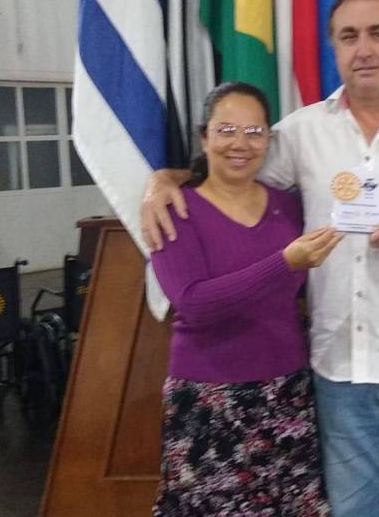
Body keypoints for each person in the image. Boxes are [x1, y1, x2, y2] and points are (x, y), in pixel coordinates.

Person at [144, 0, 379, 517]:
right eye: (348, 36)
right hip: (337, 366)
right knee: (351, 509)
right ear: (335, 49)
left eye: (378, 33)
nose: (363, 49)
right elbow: (232, 164)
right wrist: (163, 179)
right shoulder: (301, 132)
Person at [149, 81, 340, 517]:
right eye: (227, 130)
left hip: (287, 392)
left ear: (269, 141)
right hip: (209, 399)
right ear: (204, 137)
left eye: (254, 132)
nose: (240, 143)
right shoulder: (174, 210)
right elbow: (194, 303)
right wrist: (284, 262)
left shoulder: (288, 207)